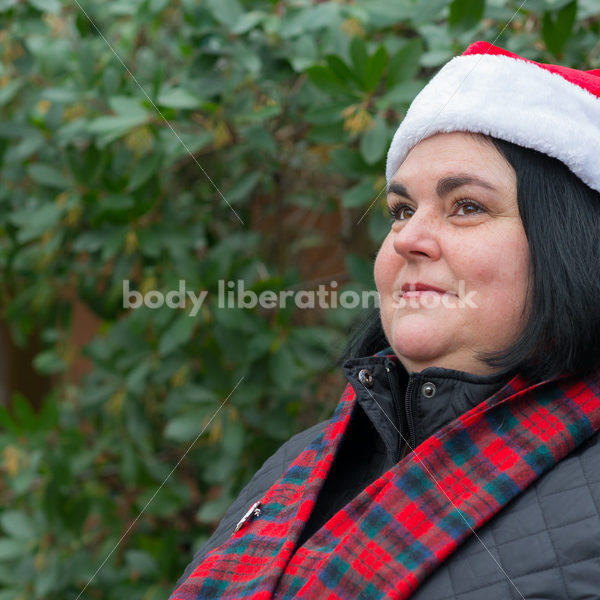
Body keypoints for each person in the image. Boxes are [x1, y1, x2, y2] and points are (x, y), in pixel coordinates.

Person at [170, 42, 600, 599]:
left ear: (571, 245)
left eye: (466, 205)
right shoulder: (296, 465)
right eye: (401, 210)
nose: (408, 239)